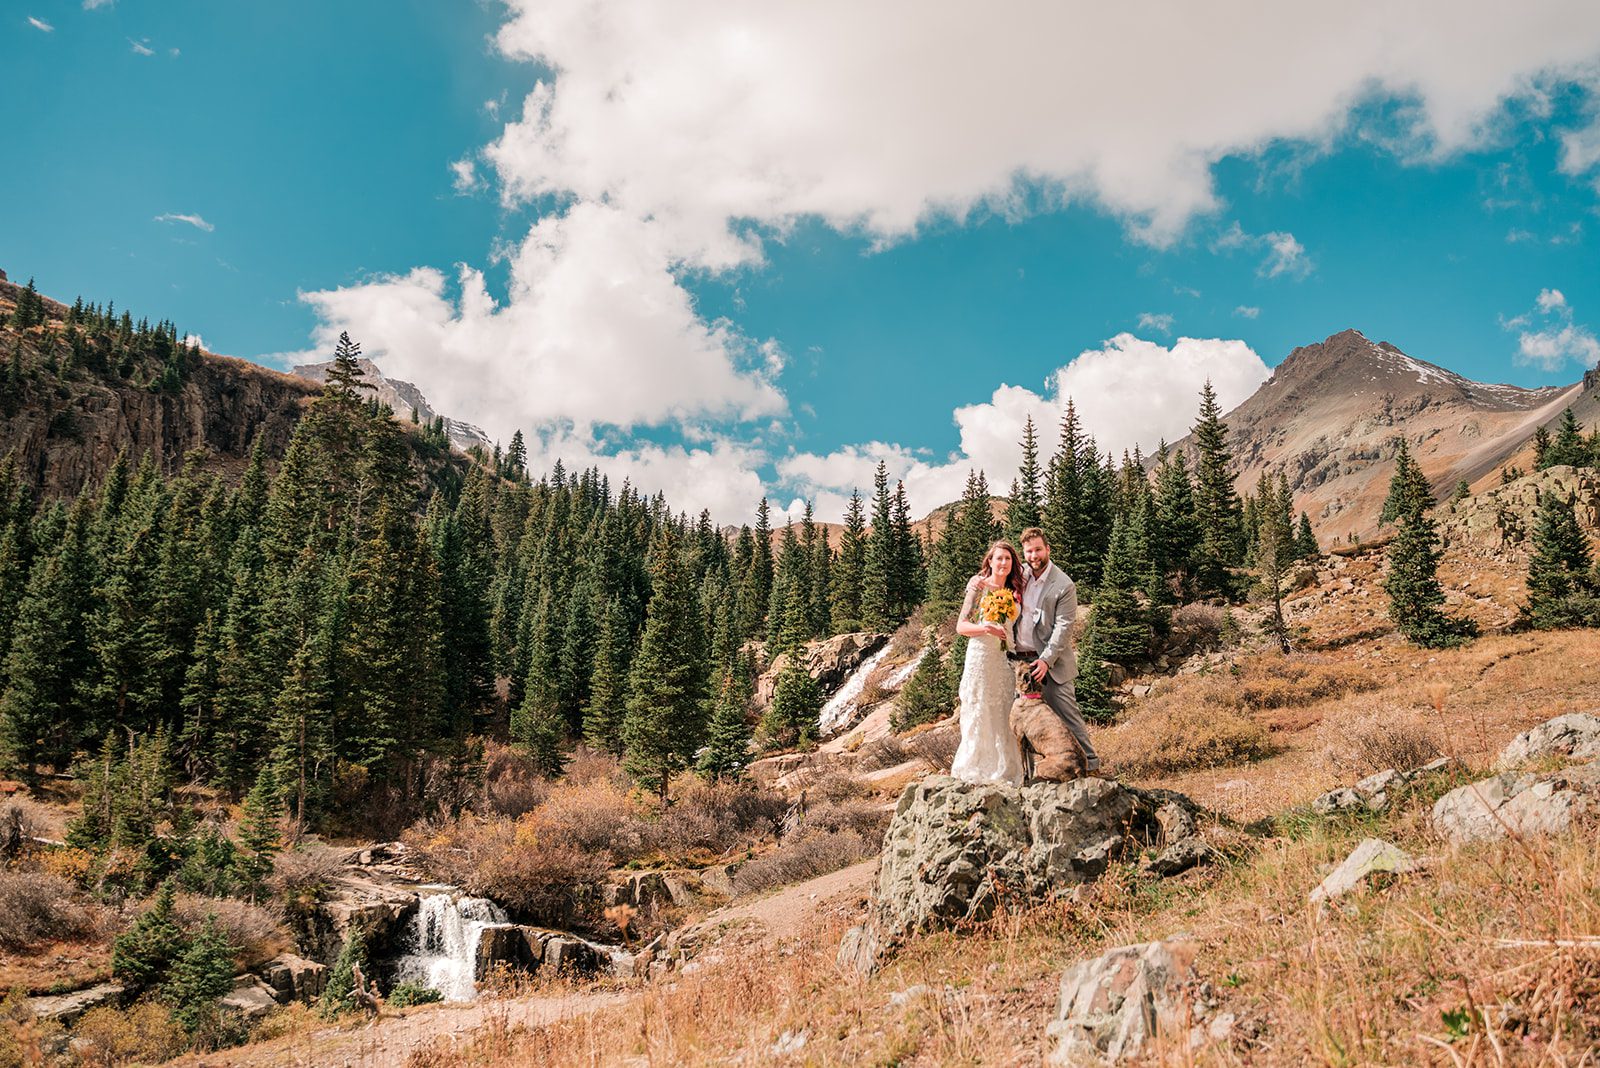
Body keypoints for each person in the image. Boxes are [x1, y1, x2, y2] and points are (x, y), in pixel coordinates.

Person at [1012, 527, 1100, 775]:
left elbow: (1063, 629)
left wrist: (1046, 661)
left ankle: (1091, 768)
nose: (1034, 555)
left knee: (1067, 716)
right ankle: (1025, 777)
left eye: (1038, 549)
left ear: (1047, 549)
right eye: (1029, 551)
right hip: (1021, 663)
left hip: (1051, 663)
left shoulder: (1064, 585)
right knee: (1022, 726)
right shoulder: (1021, 576)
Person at [949, 540, 1027, 786]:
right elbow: (961, 626)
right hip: (981, 656)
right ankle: (976, 766)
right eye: (998, 558)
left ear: (1013, 563)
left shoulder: (1016, 591)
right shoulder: (978, 586)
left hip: (1006, 658)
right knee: (980, 708)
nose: (1003, 563)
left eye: (1007, 558)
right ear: (990, 562)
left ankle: (1005, 769)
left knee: (1004, 711)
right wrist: (985, 628)